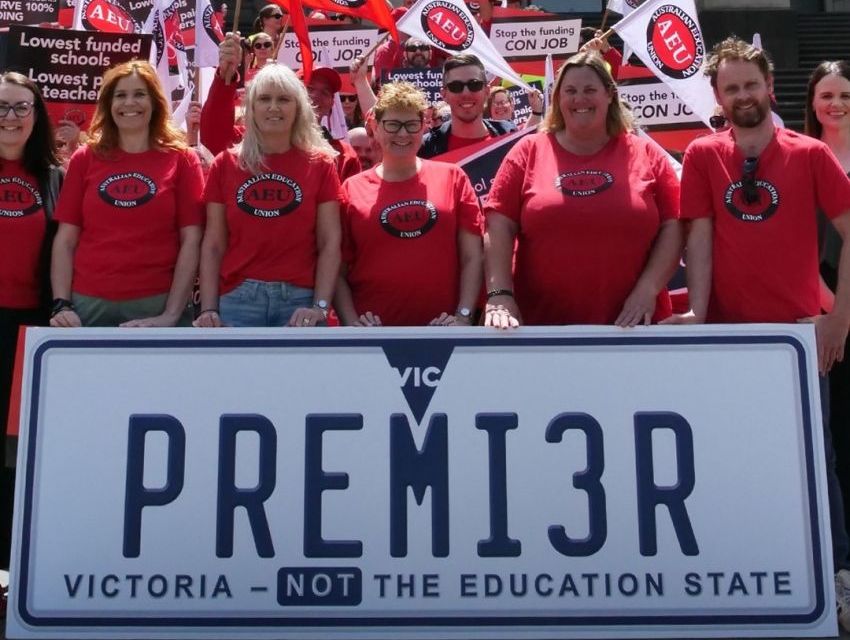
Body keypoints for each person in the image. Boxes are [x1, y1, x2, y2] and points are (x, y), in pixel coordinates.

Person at [671, 37, 850, 629]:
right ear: (717, 96)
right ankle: (740, 569)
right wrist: (699, 313)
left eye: (751, 85)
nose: (743, 96)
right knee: (728, 459)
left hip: (797, 341)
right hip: (729, 338)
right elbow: (697, 238)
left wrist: (838, 319)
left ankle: (837, 573)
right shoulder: (701, 154)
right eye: (731, 88)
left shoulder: (810, 154)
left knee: (815, 462)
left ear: (770, 87)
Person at [483, 51, 681, 329]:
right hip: (540, 326)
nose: (579, 99)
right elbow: (498, 225)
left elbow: (674, 226)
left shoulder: (646, 153)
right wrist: (500, 294)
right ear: (557, 98)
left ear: (610, 95)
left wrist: (648, 289)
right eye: (570, 91)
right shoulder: (528, 151)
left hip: (635, 325)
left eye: (590, 90)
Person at [50, 61, 204, 328]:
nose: (129, 103)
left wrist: (170, 315)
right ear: (108, 104)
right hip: (87, 305)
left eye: (139, 94)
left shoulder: (183, 160)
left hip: (157, 304)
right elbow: (65, 239)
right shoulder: (85, 158)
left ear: (155, 101)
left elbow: (191, 240)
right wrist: (62, 303)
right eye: (120, 95)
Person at [196, 64, 341, 329]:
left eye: (284, 99)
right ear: (251, 108)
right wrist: (208, 309)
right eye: (264, 99)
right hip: (237, 300)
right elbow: (214, 244)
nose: (273, 107)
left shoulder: (321, 164)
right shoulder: (225, 164)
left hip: (300, 301)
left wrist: (320, 307)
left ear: (298, 107)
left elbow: (329, 241)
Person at [334, 82, 482, 326]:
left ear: (423, 127)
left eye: (412, 125)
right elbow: (336, 269)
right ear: (375, 128)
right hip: (373, 335)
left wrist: (463, 317)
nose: (403, 134)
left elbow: (472, 256)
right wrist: (352, 326)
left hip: (443, 332)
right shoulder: (352, 188)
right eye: (393, 125)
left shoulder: (453, 177)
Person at [0, 71, 62, 585]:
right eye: (1, 107)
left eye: (21, 108)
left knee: (15, 450)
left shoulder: (53, 177)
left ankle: (9, 560)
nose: (11, 118)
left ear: (36, 115)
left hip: (30, 330)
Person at [200, 34, 361, 181]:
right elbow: (214, 136)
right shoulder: (246, 141)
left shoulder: (343, 157)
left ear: (332, 104)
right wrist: (225, 76)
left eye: (326, 92)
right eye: (309, 88)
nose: (316, 96)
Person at [806, 62, 850, 542]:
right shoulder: (806, 156)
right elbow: (797, 247)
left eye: (844, 95)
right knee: (831, 429)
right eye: (826, 96)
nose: (835, 104)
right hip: (820, 312)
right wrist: (835, 308)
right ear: (812, 103)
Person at [419, 54, 517, 158]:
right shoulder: (425, 149)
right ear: (444, 94)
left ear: (487, 91)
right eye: (456, 86)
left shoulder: (510, 137)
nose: (466, 93)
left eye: (474, 84)